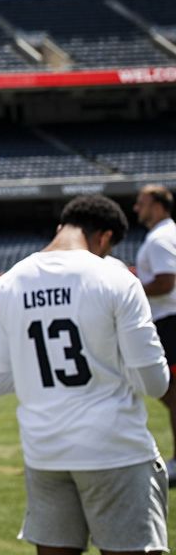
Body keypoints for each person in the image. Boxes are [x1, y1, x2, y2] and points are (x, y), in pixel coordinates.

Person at [0, 195, 168, 555]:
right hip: (114, 449)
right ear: (104, 238)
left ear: (61, 228)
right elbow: (154, 381)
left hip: (44, 452)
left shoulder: (5, 286)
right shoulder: (116, 279)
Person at [134, 184, 176, 480]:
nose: (137, 208)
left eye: (143, 202)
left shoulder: (161, 238)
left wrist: (130, 288)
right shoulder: (165, 235)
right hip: (168, 318)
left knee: (172, 394)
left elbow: (165, 281)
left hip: (170, 319)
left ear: (159, 205)